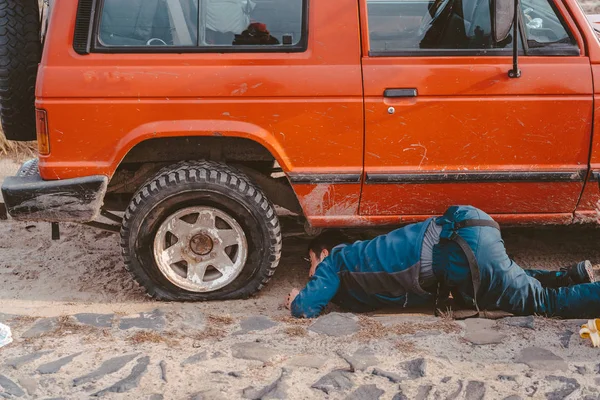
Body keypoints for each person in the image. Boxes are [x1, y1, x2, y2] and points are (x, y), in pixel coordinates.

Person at [285, 205, 598, 319]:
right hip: (465, 229)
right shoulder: (363, 257)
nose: (310, 270)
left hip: (458, 249)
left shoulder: (335, 262)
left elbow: (305, 309)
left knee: (544, 303)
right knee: (507, 279)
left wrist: (297, 300)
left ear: (323, 254)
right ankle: (571, 275)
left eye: (308, 261)